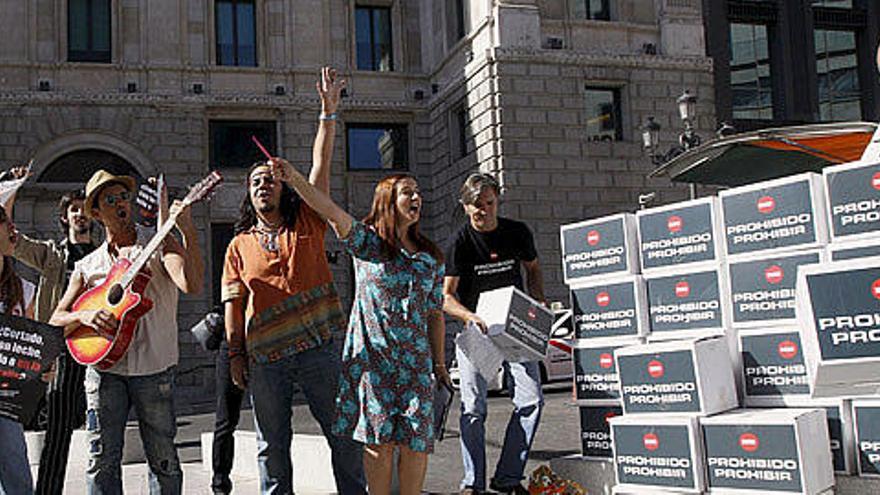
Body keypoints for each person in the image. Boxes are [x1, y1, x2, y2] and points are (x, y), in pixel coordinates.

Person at [221, 67, 366, 495]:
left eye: (270, 179)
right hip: (266, 358)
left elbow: (320, 166)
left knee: (343, 435)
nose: (264, 185)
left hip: (321, 348)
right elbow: (232, 304)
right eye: (255, 182)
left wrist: (327, 113)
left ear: (283, 188)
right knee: (272, 445)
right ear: (248, 195)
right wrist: (235, 355)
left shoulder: (308, 220)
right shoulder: (237, 246)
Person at [276, 161, 448, 494]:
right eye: (408, 192)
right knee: (379, 445)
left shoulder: (431, 258)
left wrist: (439, 365)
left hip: (416, 367)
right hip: (373, 366)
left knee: (417, 444)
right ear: (387, 199)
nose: (417, 197)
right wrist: (294, 178)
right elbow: (326, 207)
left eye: (419, 192)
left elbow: (435, 313)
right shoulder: (366, 244)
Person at [49, 169, 204, 494]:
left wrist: (186, 227)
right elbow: (57, 319)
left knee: (163, 461)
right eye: (110, 200)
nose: (120, 204)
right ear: (96, 213)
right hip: (104, 371)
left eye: (123, 197)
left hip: (154, 371)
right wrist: (87, 315)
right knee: (101, 460)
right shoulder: (87, 265)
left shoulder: (160, 243)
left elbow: (192, 284)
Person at [443, 173, 547, 495]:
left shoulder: (517, 232)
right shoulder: (459, 243)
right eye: (477, 206)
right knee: (474, 407)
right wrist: (468, 315)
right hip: (477, 333)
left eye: (489, 203)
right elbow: (445, 297)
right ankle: (473, 484)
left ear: (497, 201)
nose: (484, 211)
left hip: (515, 329)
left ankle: (508, 478)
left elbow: (533, 267)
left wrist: (537, 298)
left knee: (531, 400)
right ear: (465, 207)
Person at [7, 180, 97, 495]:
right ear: (64, 217)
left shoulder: (104, 254)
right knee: (57, 434)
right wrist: (11, 194)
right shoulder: (52, 255)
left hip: (100, 353)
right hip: (62, 352)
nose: (80, 215)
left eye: (85, 210)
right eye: (74, 210)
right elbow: (12, 241)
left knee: (103, 438)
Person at [0, 204, 37, 495]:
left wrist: (42, 367)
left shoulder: (24, 290)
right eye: (7, 226)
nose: (15, 232)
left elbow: (34, 344)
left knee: (17, 478)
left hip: (7, 400)